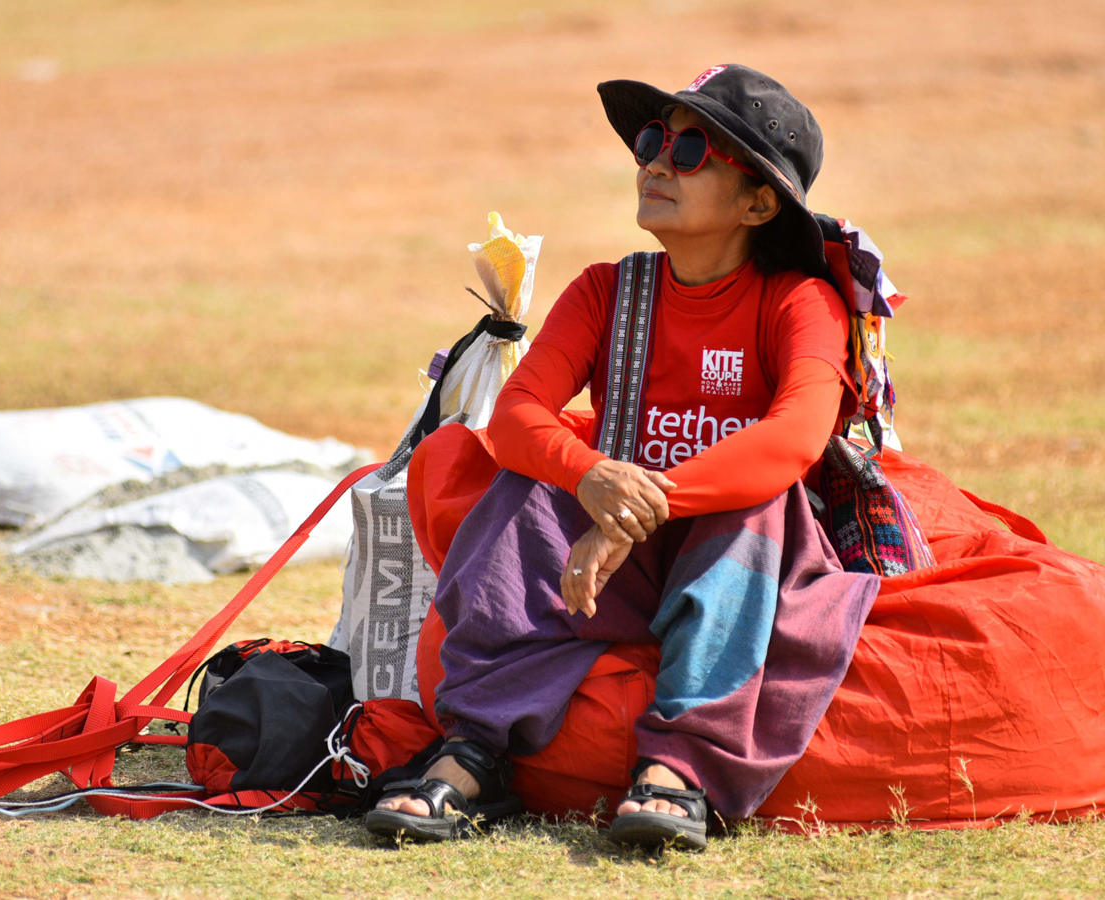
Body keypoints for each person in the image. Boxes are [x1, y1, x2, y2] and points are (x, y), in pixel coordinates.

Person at [366, 64, 881, 848]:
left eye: (690, 150)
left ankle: (679, 766)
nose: (654, 164)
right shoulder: (607, 291)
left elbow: (793, 439)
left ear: (759, 201)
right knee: (522, 487)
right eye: (651, 141)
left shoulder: (795, 302)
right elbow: (516, 416)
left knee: (755, 498)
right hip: (615, 562)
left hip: (742, 552)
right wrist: (590, 476)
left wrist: (639, 509)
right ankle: (475, 751)